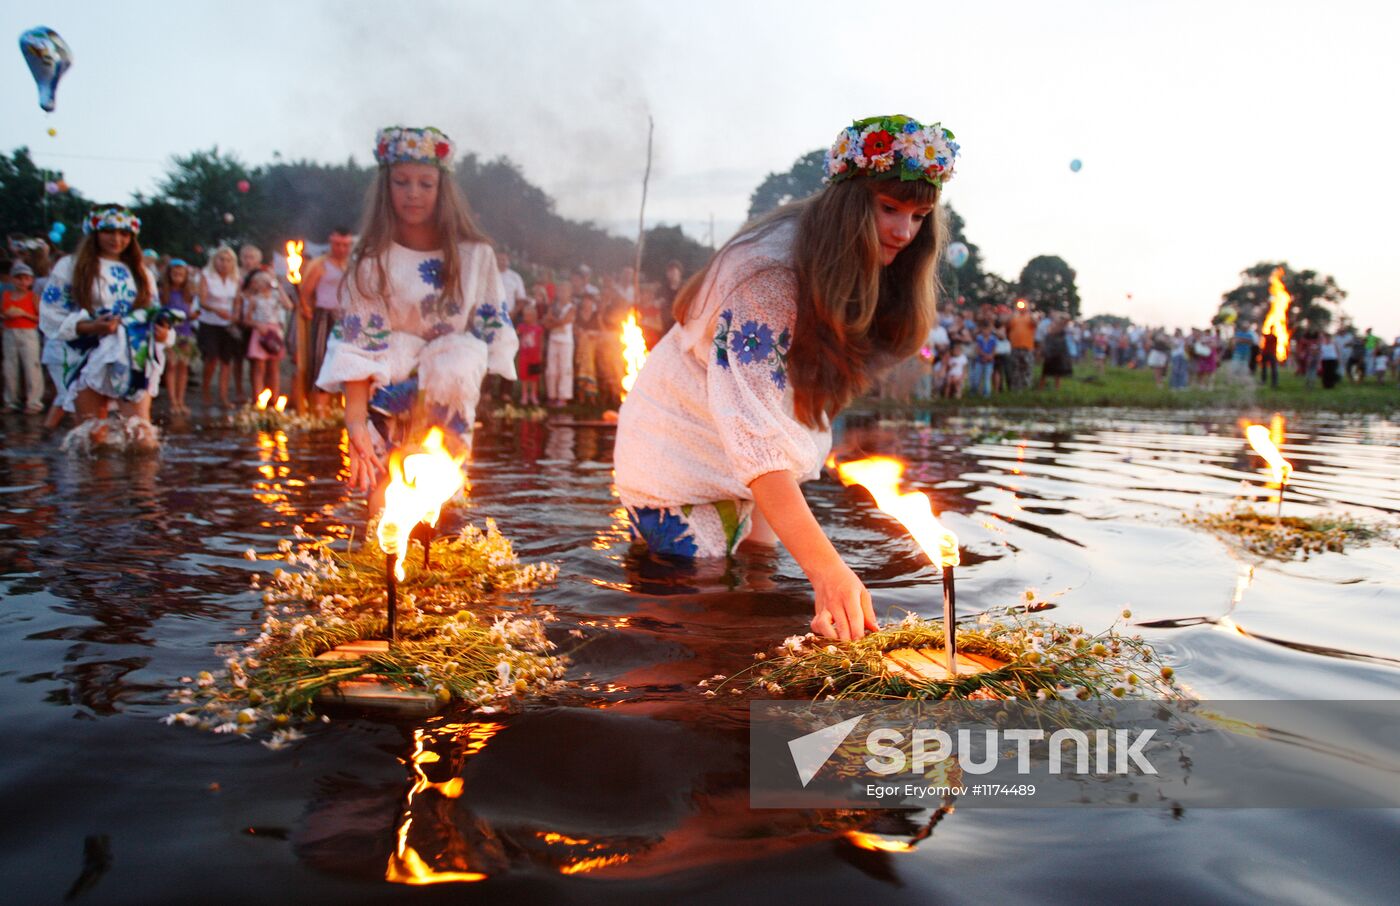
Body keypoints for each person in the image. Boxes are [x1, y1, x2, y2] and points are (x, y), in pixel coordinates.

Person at [615, 114, 957, 641]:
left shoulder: (851, 262)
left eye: (919, 217)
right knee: (694, 611)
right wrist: (829, 571)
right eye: (889, 208)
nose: (902, 232)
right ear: (850, 204)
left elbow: (783, 416)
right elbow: (756, 441)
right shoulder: (771, 274)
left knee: (759, 581)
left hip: (754, 460)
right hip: (678, 453)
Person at [316, 125, 517, 492]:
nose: (413, 194)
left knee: (439, 498)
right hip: (386, 383)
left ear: (442, 190)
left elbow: (489, 335)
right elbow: (360, 345)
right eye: (401, 182)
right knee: (385, 493)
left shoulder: (474, 255)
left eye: (425, 183)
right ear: (385, 188)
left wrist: (454, 375)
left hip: (448, 387)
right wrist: (355, 422)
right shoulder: (371, 259)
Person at [38, 204, 170, 448]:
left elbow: (152, 311)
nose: (117, 239)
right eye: (109, 231)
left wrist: (161, 332)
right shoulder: (70, 266)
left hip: (132, 354)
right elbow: (50, 312)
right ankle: (96, 485)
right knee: (92, 437)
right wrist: (90, 327)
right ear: (95, 232)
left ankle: (142, 487)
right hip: (86, 352)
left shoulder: (141, 271)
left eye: (124, 233)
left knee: (142, 436)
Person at [298, 227, 353, 416]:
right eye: (338, 245)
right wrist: (306, 310)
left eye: (345, 245)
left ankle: (340, 406)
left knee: (344, 360)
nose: (341, 249)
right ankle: (319, 408)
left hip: (346, 318)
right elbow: (305, 294)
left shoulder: (351, 265)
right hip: (324, 315)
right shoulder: (320, 265)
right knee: (321, 359)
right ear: (331, 243)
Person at [240, 268, 293, 400]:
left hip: (274, 331)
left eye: (266, 281)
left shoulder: (276, 297)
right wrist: (257, 325)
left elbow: (289, 305)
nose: (264, 284)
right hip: (260, 332)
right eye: (261, 281)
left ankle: (274, 398)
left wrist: (279, 287)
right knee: (259, 367)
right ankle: (258, 398)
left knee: (274, 367)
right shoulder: (254, 299)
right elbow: (246, 320)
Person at [198, 246, 241, 408]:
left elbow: (237, 300)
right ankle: (206, 390)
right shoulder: (207, 276)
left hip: (227, 323)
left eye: (228, 260)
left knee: (226, 360)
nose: (224, 263)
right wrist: (216, 310)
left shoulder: (235, 278)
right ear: (215, 260)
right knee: (211, 358)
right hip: (210, 321)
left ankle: (223, 396)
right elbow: (202, 301)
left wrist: (236, 313)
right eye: (221, 259)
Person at [158, 258, 200, 415]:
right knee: (171, 366)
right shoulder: (164, 293)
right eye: (174, 272)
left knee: (183, 366)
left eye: (181, 273)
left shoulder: (189, 294)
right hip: (170, 332)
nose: (177, 275)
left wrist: (193, 315)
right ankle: (173, 401)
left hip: (186, 332)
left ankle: (181, 400)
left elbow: (196, 312)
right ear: (168, 274)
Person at [3, 262, 45, 413]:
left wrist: (23, 313)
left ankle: (34, 402)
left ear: (31, 280)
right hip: (10, 332)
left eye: (26, 278)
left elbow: (42, 318)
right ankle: (11, 400)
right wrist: (5, 315)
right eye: (18, 278)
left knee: (31, 367)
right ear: (12, 279)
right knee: (10, 367)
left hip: (28, 333)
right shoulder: (6, 296)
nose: (22, 282)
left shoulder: (33, 297)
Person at [543, 281, 575, 406]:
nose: (562, 293)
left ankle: (563, 396)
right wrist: (556, 322)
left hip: (566, 342)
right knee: (551, 368)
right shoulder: (553, 306)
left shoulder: (572, 307)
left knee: (565, 368)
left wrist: (553, 322)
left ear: (569, 293)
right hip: (553, 339)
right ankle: (552, 395)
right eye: (560, 290)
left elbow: (566, 320)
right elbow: (546, 323)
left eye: (565, 291)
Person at [515, 302, 543, 406]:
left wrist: (540, 354)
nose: (525, 318)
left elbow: (541, 342)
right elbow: (515, 333)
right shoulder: (522, 326)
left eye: (527, 315)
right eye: (524, 315)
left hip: (534, 356)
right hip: (524, 356)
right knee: (524, 377)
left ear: (534, 316)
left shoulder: (538, 328)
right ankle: (524, 395)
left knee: (534, 377)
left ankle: (533, 395)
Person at [1038, 312, 1073, 390]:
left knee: (1058, 372)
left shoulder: (1062, 325)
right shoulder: (1050, 325)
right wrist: (1042, 351)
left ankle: (1057, 389)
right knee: (1045, 372)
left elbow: (1067, 317)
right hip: (1050, 351)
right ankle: (1040, 389)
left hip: (1059, 351)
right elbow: (1048, 334)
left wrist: (1060, 314)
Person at [1006, 303, 1035, 390]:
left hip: (1027, 348)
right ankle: (1016, 388)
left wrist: (1029, 311)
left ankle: (1027, 387)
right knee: (1015, 368)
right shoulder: (1014, 318)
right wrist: (1013, 313)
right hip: (1015, 347)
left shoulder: (1030, 317)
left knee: (1027, 367)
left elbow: (1035, 322)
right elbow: (1007, 325)